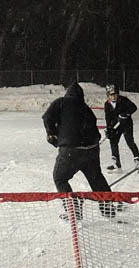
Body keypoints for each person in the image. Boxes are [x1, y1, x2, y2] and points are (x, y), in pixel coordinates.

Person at [43, 82, 114, 219]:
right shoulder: (86, 108)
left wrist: (51, 134)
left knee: (60, 178)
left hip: (71, 151)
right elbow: (95, 131)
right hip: (92, 150)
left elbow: (47, 117)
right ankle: (108, 207)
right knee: (96, 178)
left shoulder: (61, 102)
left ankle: (73, 210)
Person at [103, 84, 139, 173]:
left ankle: (138, 162)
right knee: (113, 141)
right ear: (108, 95)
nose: (113, 97)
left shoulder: (124, 100)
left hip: (126, 125)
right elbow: (108, 117)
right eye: (111, 95)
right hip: (116, 126)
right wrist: (109, 129)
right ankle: (117, 165)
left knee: (129, 141)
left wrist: (125, 114)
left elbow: (134, 107)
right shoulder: (107, 104)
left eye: (115, 94)